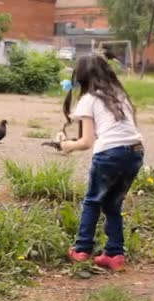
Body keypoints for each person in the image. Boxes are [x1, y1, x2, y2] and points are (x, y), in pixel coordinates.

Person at [60, 54, 144, 271]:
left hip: (110, 154)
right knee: (113, 204)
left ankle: (81, 249)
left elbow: (87, 142)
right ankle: (115, 255)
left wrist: (67, 145)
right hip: (135, 152)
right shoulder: (119, 95)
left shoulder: (89, 99)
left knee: (92, 201)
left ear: (80, 77)